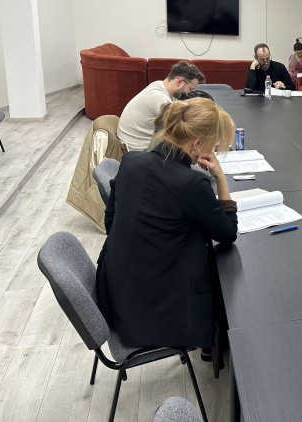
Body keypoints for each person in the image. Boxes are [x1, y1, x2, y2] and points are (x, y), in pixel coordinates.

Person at [97, 97, 237, 349]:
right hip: (153, 315)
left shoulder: (131, 161)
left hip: (114, 293)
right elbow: (227, 233)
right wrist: (221, 178)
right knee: (223, 278)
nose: (214, 150)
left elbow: (111, 219)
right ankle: (214, 347)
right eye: (213, 144)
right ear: (197, 143)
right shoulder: (191, 183)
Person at [117, 60, 205, 152]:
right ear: (179, 82)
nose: (189, 93)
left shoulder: (159, 85)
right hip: (137, 150)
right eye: (190, 89)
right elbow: (178, 128)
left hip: (136, 144)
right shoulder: (159, 97)